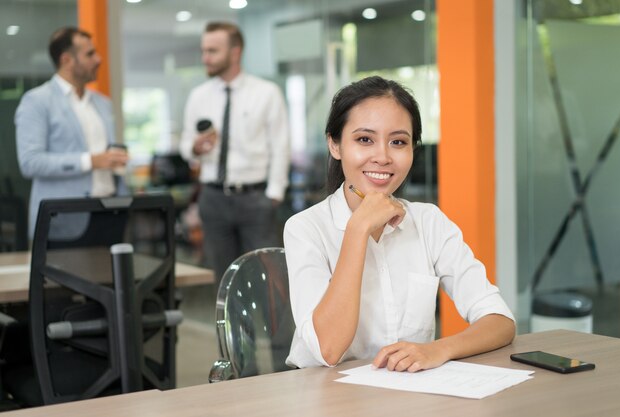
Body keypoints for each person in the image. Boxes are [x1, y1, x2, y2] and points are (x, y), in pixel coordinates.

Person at [284, 76, 515, 371]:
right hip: (324, 395)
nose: (382, 157)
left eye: (398, 142)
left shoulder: (429, 222)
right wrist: (358, 228)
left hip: (407, 392)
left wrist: (437, 350)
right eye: (364, 139)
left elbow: (500, 321)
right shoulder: (305, 228)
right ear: (335, 144)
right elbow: (328, 349)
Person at [180, 21, 290, 280]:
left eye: (213, 51)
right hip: (213, 198)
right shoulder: (198, 96)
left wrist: (274, 194)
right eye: (204, 50)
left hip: (254, 197)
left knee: (266, 278)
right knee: (224, 278)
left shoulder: (266, 93)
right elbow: (185, 145)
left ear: (235, 52)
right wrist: (194, 147)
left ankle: (269, 324)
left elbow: (280, 145)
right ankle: (226, 323)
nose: (205, 57)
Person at [15, 26, 128, 238]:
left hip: (112, 213)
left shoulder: (102, 103)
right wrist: (90, 161)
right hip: (66, 221)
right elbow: (30, 162)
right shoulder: (37, 101)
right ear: (66, 60)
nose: (99, 59)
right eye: (90, 54)